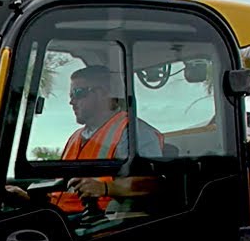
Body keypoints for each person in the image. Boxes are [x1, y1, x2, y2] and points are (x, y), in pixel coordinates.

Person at [9, 64, 164, 215]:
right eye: (70, 96)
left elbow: (153, 183)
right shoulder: (75, 137)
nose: (71, 102)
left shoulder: (133, 132)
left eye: (78, 93)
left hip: (101, 219)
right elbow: (63, 191)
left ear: (102, 93)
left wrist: (105, 188)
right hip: (62, 217)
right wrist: (27, 199)